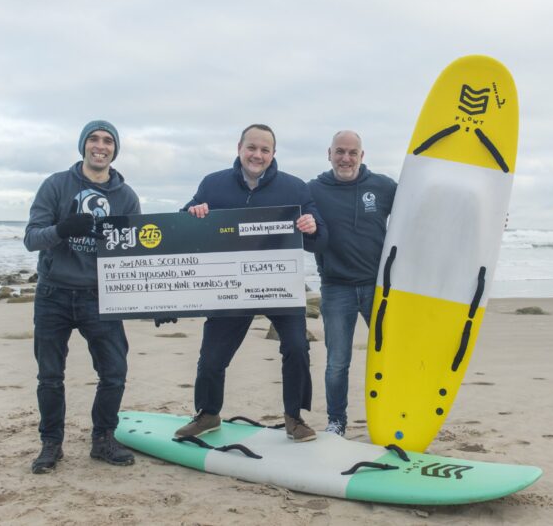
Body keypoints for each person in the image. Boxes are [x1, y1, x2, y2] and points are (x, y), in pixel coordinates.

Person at [174, 124, 328, 442]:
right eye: (252, 148)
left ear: (273, 154)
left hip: (278, 285)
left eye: (265, 150)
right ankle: (208, 414)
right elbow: (183, 225)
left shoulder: (295, 188)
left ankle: (294, 417)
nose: (257, 155)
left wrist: (311, 226)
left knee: (298, 348)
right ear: (239, 148)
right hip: (230, 288)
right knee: (212, 356)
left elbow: (320, 239)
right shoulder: (213, 184)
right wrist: (194, 213)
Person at [24, 120, 141, 473]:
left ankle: (103, 439)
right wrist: (61, 230)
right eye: (94, 139)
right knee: (49, 376)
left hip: (100, 297)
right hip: (53, 294)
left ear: (114, 150)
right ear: (83, 145)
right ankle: (51, 444)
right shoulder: (56, 185)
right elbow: (31, 238)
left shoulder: (126, 197)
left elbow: (136, 255)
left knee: (114, 373)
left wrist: (154, 301)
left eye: (108, 141)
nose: (100, 146)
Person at [307, 130, 397, 437]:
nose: (345, 158)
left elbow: (422, 212)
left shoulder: (383, 187)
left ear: (362, 155)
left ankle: (396, 416)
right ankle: (336, 421)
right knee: (337, 362)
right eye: (339, 152)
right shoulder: (313, 190)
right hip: (336, 288)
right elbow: (282, 219)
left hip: (379, 287)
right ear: (328, 153)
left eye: (352, 153)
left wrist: (489, 218)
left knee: (392, 355)